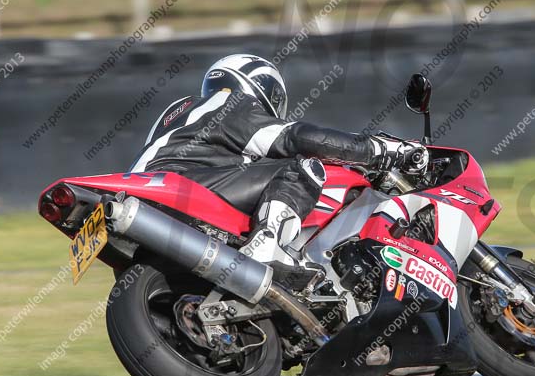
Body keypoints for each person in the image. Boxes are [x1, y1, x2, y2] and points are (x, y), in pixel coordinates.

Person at [130, 54, 427, 280]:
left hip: (156, 197)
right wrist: (379, 149)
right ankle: (268, 245)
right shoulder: (232, 104)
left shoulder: (183, 114)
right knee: (302, 166)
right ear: (257, 85)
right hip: (183, 188)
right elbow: (296, 137)